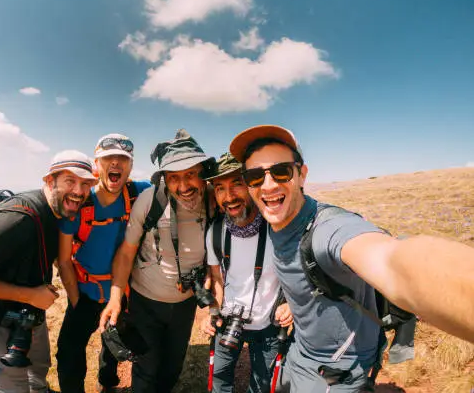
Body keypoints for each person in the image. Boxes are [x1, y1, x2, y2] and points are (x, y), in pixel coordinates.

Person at [228, 125, 474, 392]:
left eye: (281, 171)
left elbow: (394, 262)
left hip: (337, 370)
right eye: (254, 176)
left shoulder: (327, 229)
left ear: (302, 175)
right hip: (299, 351)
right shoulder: (274, 219)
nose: (268, 184)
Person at [0, 150, 97, 393]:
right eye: (70, 181)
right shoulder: (17, 217)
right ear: (49, 181)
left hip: (25, 315)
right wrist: (29, 296)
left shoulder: (57, 214)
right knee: (11, 386)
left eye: (86, 184)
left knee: (38, 373)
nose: (79, 191)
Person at [99, 129, 216, 393]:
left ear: (203, 173)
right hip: (146, 301)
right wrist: (116, 297)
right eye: (174, 177)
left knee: (173, 366)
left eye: (190, 174)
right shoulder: (149, 201)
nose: (184, 186)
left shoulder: (215, 200)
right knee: (145, 369)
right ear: (164, 179)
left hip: (185, 304)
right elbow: (127, 253)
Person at [54, 134, 151, 393]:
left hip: (122, 293)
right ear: (97, 164)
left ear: (130, 167)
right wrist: (75, 302)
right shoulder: (80, 204)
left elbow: (169, 187)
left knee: (113, 345)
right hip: (84, 294)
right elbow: (64, 261)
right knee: (70, 352)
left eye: (123, 159)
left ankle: (107, 385)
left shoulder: (138, 192)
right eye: (109, 158)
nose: (116, 163)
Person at [201, 152, 293, 393]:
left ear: (253, 186)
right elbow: (218, 280)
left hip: (268, 325)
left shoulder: (278, 229)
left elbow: (297, 277)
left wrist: (291, 305)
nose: (228, 196)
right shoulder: (216, 232)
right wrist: (213, 311)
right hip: (228, 322)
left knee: (262, 385)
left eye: (237, 184)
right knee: (220, 380)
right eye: (220, 188)